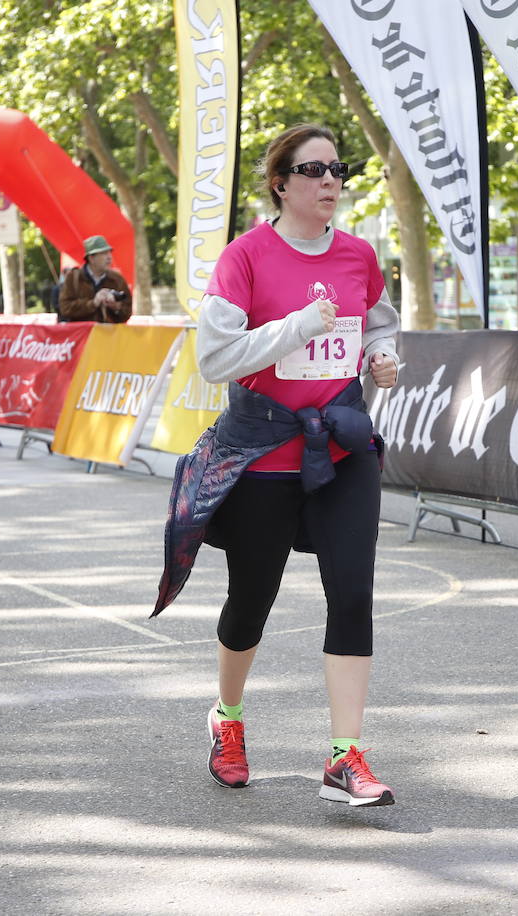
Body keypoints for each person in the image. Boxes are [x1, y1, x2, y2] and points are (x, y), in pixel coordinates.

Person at [153, 123, 401, 807]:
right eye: (313, 169)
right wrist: (296, 326)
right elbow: (213, 359)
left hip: (342, 449)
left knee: (352, 596)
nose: (329, 181)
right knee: (250, 601)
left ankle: (344, 756)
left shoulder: (358, 255)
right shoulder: (246, 257)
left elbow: (378, 321)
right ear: (280, 182)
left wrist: (384, 360)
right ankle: (227, 719)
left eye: (337, 169)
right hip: (263, 451)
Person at [57, 235, 131, 322]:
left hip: (109, 334)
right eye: (104, 253)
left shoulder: (118, 279)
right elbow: (65, 308)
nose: (109, 257)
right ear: (91, 258)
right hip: (83, 334)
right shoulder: (73, 278)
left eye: (109, 252)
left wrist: (116, 307)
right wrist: (93, 303)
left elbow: (128, 311)